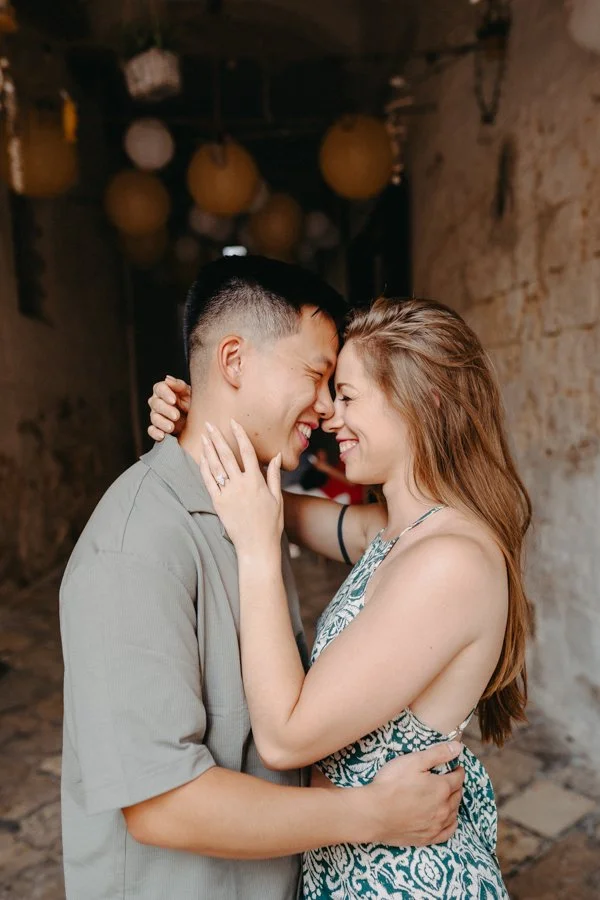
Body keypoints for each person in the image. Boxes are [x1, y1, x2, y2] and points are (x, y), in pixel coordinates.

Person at [60, 258, 464, 900]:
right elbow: (164, 806)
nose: (327, 408)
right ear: (235, 361)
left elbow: (388, 530)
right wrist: (373, 815)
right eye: (316, 376)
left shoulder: (253, 502)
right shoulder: (133, 548)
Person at [149, 295, 532, 898]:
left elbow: (286, 738)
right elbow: (279, 508)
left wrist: (257, 550)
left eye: (348, 396)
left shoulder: (449, 563)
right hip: (354, 868)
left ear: (424, 401)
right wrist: (206, 429)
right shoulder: (397, 531)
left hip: (403, 881)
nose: (331, 416)